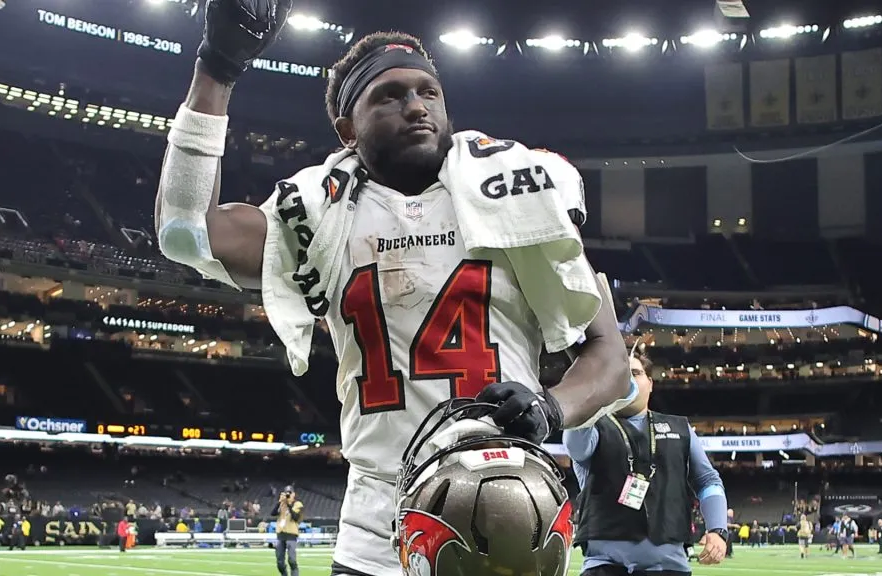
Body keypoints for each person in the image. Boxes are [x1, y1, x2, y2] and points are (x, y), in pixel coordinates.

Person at [155, 2, 634, 575]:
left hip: (511, 516)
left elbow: (610, 361)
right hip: (375, 527)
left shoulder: (518, 193)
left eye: (428, 92)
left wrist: (551, 408)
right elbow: (185, 233)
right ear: (347, 129)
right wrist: (217, 70)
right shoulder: (320, 214)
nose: (416, 106)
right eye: (389, 95)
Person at [564, 347, 729, 575]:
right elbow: (575, 447)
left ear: (650, 383)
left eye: (635, 373)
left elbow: (708, 480)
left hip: (669, 566)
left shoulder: (680, 428)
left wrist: (718, 529)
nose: (627, 379)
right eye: (620, 374)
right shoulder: (593, 426)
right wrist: (593, 392)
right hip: (605, 566)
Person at [275, 487, 303, 576]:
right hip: (281, 534)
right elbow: (273, 513)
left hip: (291, 534)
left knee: (292, 560)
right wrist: (280, 502)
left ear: (293, 494)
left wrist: (289, 505)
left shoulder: (297, 504)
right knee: (279, 561)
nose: (288, 495)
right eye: (286, 492)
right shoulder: (282, 504)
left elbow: (295, 517)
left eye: (289, 493)